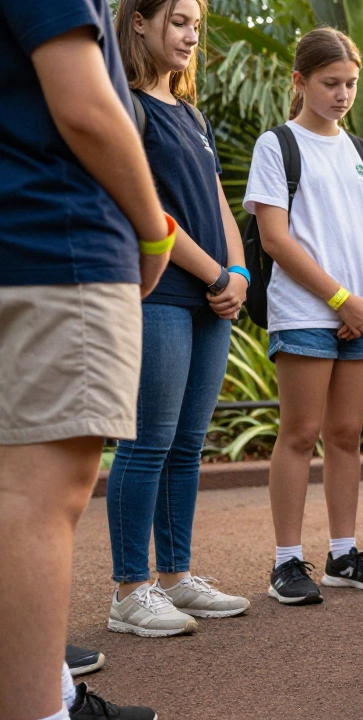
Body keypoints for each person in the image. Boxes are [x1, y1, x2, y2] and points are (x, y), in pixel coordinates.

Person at [0, 0, 171, 715]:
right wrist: (153, 231)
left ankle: (52, 691)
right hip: (53, 235)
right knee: (39, 495)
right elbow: (85, 106)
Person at [104, 0, 250, 639]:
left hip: (213, 300)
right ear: (139, 21)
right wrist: (214, 273)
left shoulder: (192, 115)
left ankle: (176, 576)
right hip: (161, 295)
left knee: (188, 445)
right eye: (179, 21)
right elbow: (147, 208)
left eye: (196, 24)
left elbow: (220, 206)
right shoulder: (125, 106)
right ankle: (130, 590)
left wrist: (238, 274)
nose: (192, 35)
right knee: (147, 445)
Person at [244, 27, 363, 606]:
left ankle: (343, 554)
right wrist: (342, 300)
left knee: (345, 434)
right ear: (300, 80)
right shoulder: (276, 145)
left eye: (351, 84)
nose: (342, 94)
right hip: (306, 311)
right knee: (301, 433)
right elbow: (276, 239)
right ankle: (286, 562)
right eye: (331, 83)